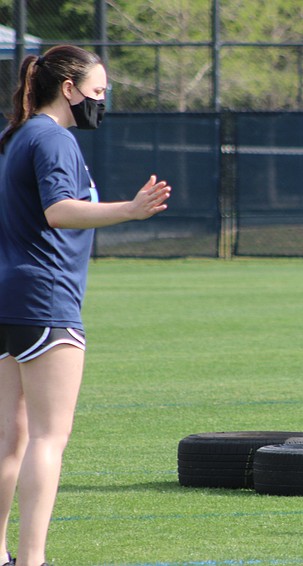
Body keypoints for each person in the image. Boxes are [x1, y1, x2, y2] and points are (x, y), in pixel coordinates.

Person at [0, 45, 171, 566]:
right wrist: (131, 209)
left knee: (11, 437)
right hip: (45, 301)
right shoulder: (51, 137)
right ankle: (32, 559)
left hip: (8, 301)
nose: (102, 101)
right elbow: (58, 211)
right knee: (48, 438)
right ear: (68, 89)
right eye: (97, 92)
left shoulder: (16, 135)